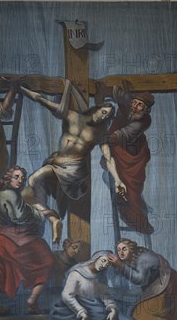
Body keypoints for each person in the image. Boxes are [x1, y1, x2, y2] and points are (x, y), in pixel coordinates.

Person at [19, 84, 127, 242]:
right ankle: (52, 219)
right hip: (56, 162)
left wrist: (118, 180)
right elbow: (40, 99)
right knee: (30, 186)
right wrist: (20, 88)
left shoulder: (100, 132)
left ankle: (52, 218)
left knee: (34, 178)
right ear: (97, 108)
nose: (104, 117)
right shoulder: (72, 116)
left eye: (107, 116)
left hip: (74, 169)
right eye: (104, 112)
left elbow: (108, 157)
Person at [51, 251, 177, 320]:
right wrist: (81, 312)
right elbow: (67, 295)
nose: (104, 265)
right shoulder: (77, 273)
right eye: (103, 261)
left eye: (107, 264)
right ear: (96, 258)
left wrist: (111, 308)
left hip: (100, 312)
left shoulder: (99, 275)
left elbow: (103, 293)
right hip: (83, 317)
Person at [0, 166, 55, 315]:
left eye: (22, 178)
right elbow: (19, 217)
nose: (20, 181)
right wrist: (43, 213)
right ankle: (32, 301)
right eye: (16, 177)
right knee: (47, 260)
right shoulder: (10, 194)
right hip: (12, 240)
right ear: (8, 177)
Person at [100, 85, 155, 235]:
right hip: (117, 152)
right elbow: (113, 90)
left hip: (134, 159)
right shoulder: (126, 103)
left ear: (145, 109)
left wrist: (107, 138)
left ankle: (140, 214)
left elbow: (126, 133)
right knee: (110, 179)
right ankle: (137, 205)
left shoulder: (144, 121)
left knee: (131, 190)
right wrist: (101, 93)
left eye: (140, 105)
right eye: (135, 102)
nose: (136, 106)